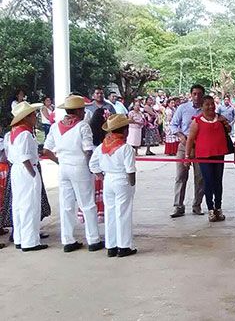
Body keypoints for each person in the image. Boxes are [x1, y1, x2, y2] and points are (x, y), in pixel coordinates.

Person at [43, 95, 104, 253]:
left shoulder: (56, 127)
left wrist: (60, 161)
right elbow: (87, 150)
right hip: (80, 167)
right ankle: (93, 239)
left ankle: (68, 240)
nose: (84, 112)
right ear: (78, 110)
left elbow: (46, 150)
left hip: (63, 167)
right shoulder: (82, 126)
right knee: (87, 204)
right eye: (83, 109)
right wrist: (93, 168)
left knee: (66, 205)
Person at [89, 114, 137, 257]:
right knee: (123, 213)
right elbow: (130, 170)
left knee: (110, 213)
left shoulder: (102, 146)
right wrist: (132, 185)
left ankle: (111, 246)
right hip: (122, 180)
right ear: (125, 130)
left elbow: (93, 165)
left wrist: (102, 176)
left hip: (108, 180)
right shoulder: (126, 148)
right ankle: (124, 246)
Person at [6, 102, 48, 251]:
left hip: (17, 170)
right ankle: (30, 241)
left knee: (19, 204)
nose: (35, 117)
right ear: (26, 117)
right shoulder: (24, 133)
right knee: (29, 205)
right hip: (26, 170)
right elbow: (25, 157)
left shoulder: (14, 132)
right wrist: (33, 173)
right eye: (32, 115)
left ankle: (20, 238)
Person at [185, 95, 230, 222]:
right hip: (204, 156)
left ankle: (218, 208)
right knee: (208, 182)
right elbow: (190, 140)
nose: (210, 106)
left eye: (212, 104)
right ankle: (210, 209)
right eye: (207, 104)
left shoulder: (220, 119)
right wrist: (187, 156)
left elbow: (229, 130)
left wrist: (225, 122)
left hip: (219, 154)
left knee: (218, 182)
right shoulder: (197, 121)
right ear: (202, 106)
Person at [170, 85, 206, 218]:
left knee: (200, 177)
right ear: (191, 95)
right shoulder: (183, 108)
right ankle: (178, 206)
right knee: (180, 176)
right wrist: (181, 136)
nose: (197, 97)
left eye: (199, 94)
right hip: (184, 145)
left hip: (200, 147)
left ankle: (197, 205)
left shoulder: (206, 109)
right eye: (194, 94)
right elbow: (173, 124)